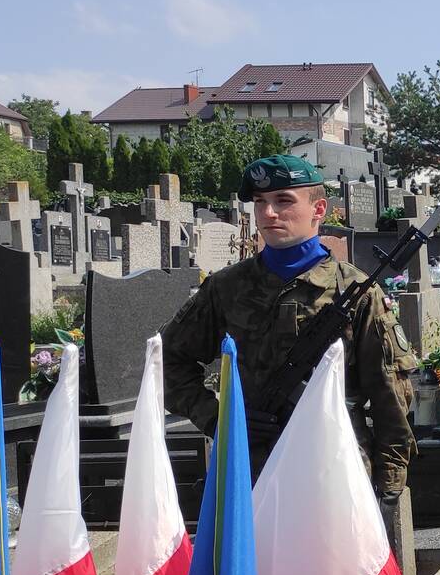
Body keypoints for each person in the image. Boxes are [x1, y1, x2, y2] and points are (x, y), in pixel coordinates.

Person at [161, 154, 417, 494]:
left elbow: (391, 397)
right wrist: (220, 419)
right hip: (250, 473)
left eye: (283, 201)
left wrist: (387, 490)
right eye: (260, 202)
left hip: (334, 474)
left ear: (318, 209)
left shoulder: (356, 293)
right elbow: (166, 361)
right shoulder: (226, 288)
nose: (268, 213)